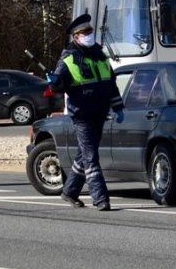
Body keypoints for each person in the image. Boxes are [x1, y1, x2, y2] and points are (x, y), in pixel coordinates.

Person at [48, 13, 124, 211]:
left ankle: (70, 191)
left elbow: (111, 85)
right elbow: (58, 86)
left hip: (100, 113)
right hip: (82, 115)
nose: (88, 35)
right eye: (84, 32)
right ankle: (100, 199)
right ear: (75, 37)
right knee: (91, 157)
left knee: (84, 154)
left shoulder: (100, 56)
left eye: (89, 31)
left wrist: (118, 106)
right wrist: (55, 83)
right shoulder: (68, 59)